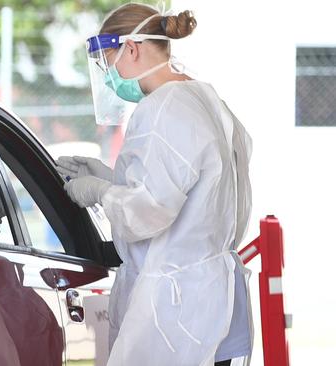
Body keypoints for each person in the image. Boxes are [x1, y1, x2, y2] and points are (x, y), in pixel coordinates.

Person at [56, 4, 253, 366]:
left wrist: (99, 192)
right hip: (212, 299)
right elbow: (194, 195)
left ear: (131, 48)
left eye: (106, 61)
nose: (106, 74)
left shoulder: (161, 109)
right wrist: (111, 177)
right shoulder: (207, 100)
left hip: (174, 312)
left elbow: (146, 214)